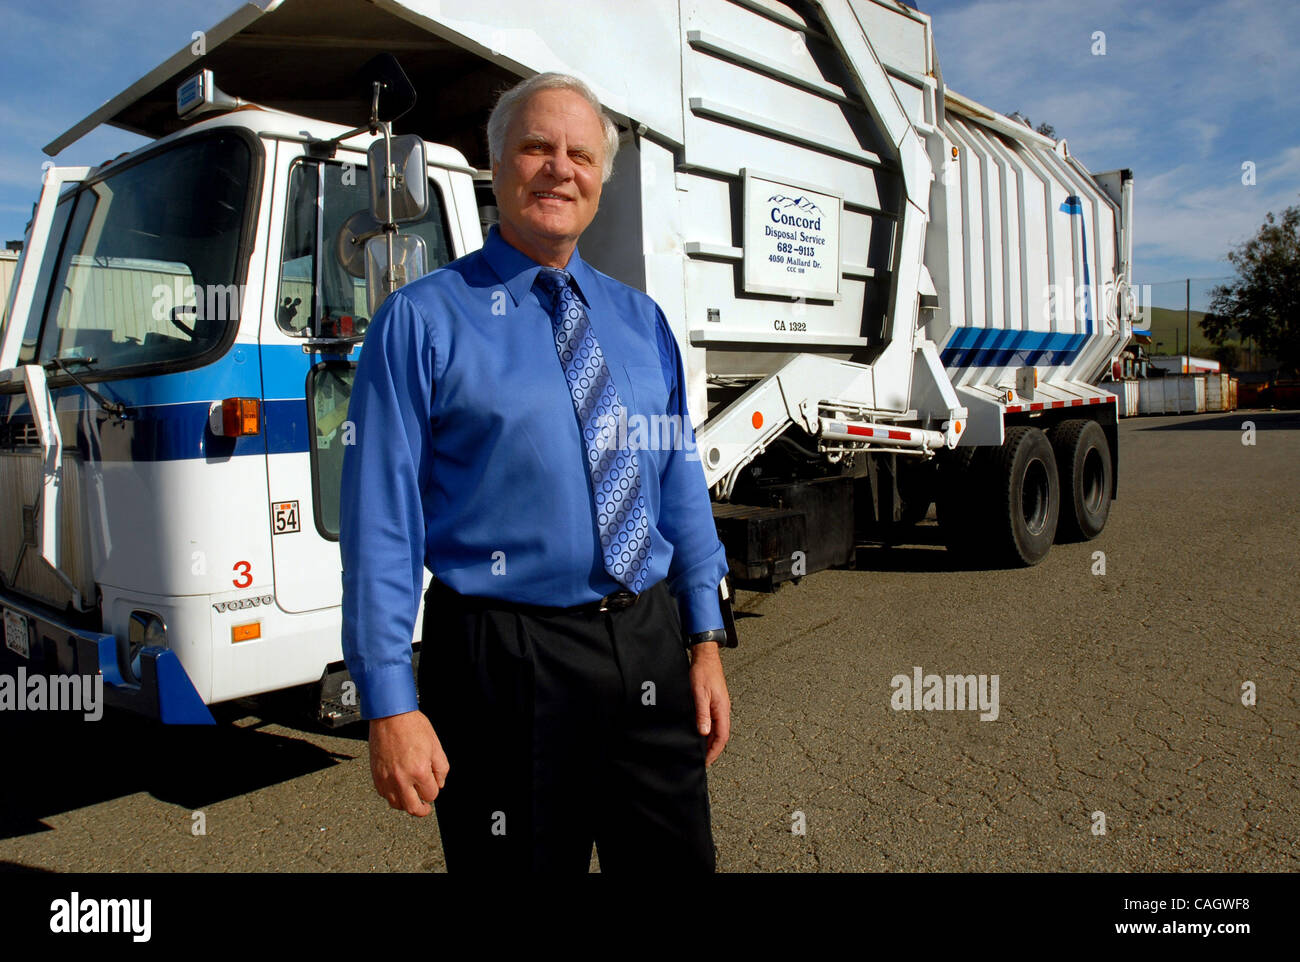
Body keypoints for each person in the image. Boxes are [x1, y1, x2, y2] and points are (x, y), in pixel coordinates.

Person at [339, 71, 733, 873]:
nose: (560, 168)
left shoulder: (639, 322)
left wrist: (703, 639)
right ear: (496, 165)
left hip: (647, 644)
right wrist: (389, 700)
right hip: (501, 667)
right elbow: (381, 522)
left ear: (600, 180)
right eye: (536, 147)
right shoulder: (420, 322)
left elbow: (679, 485)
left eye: (580, 154)